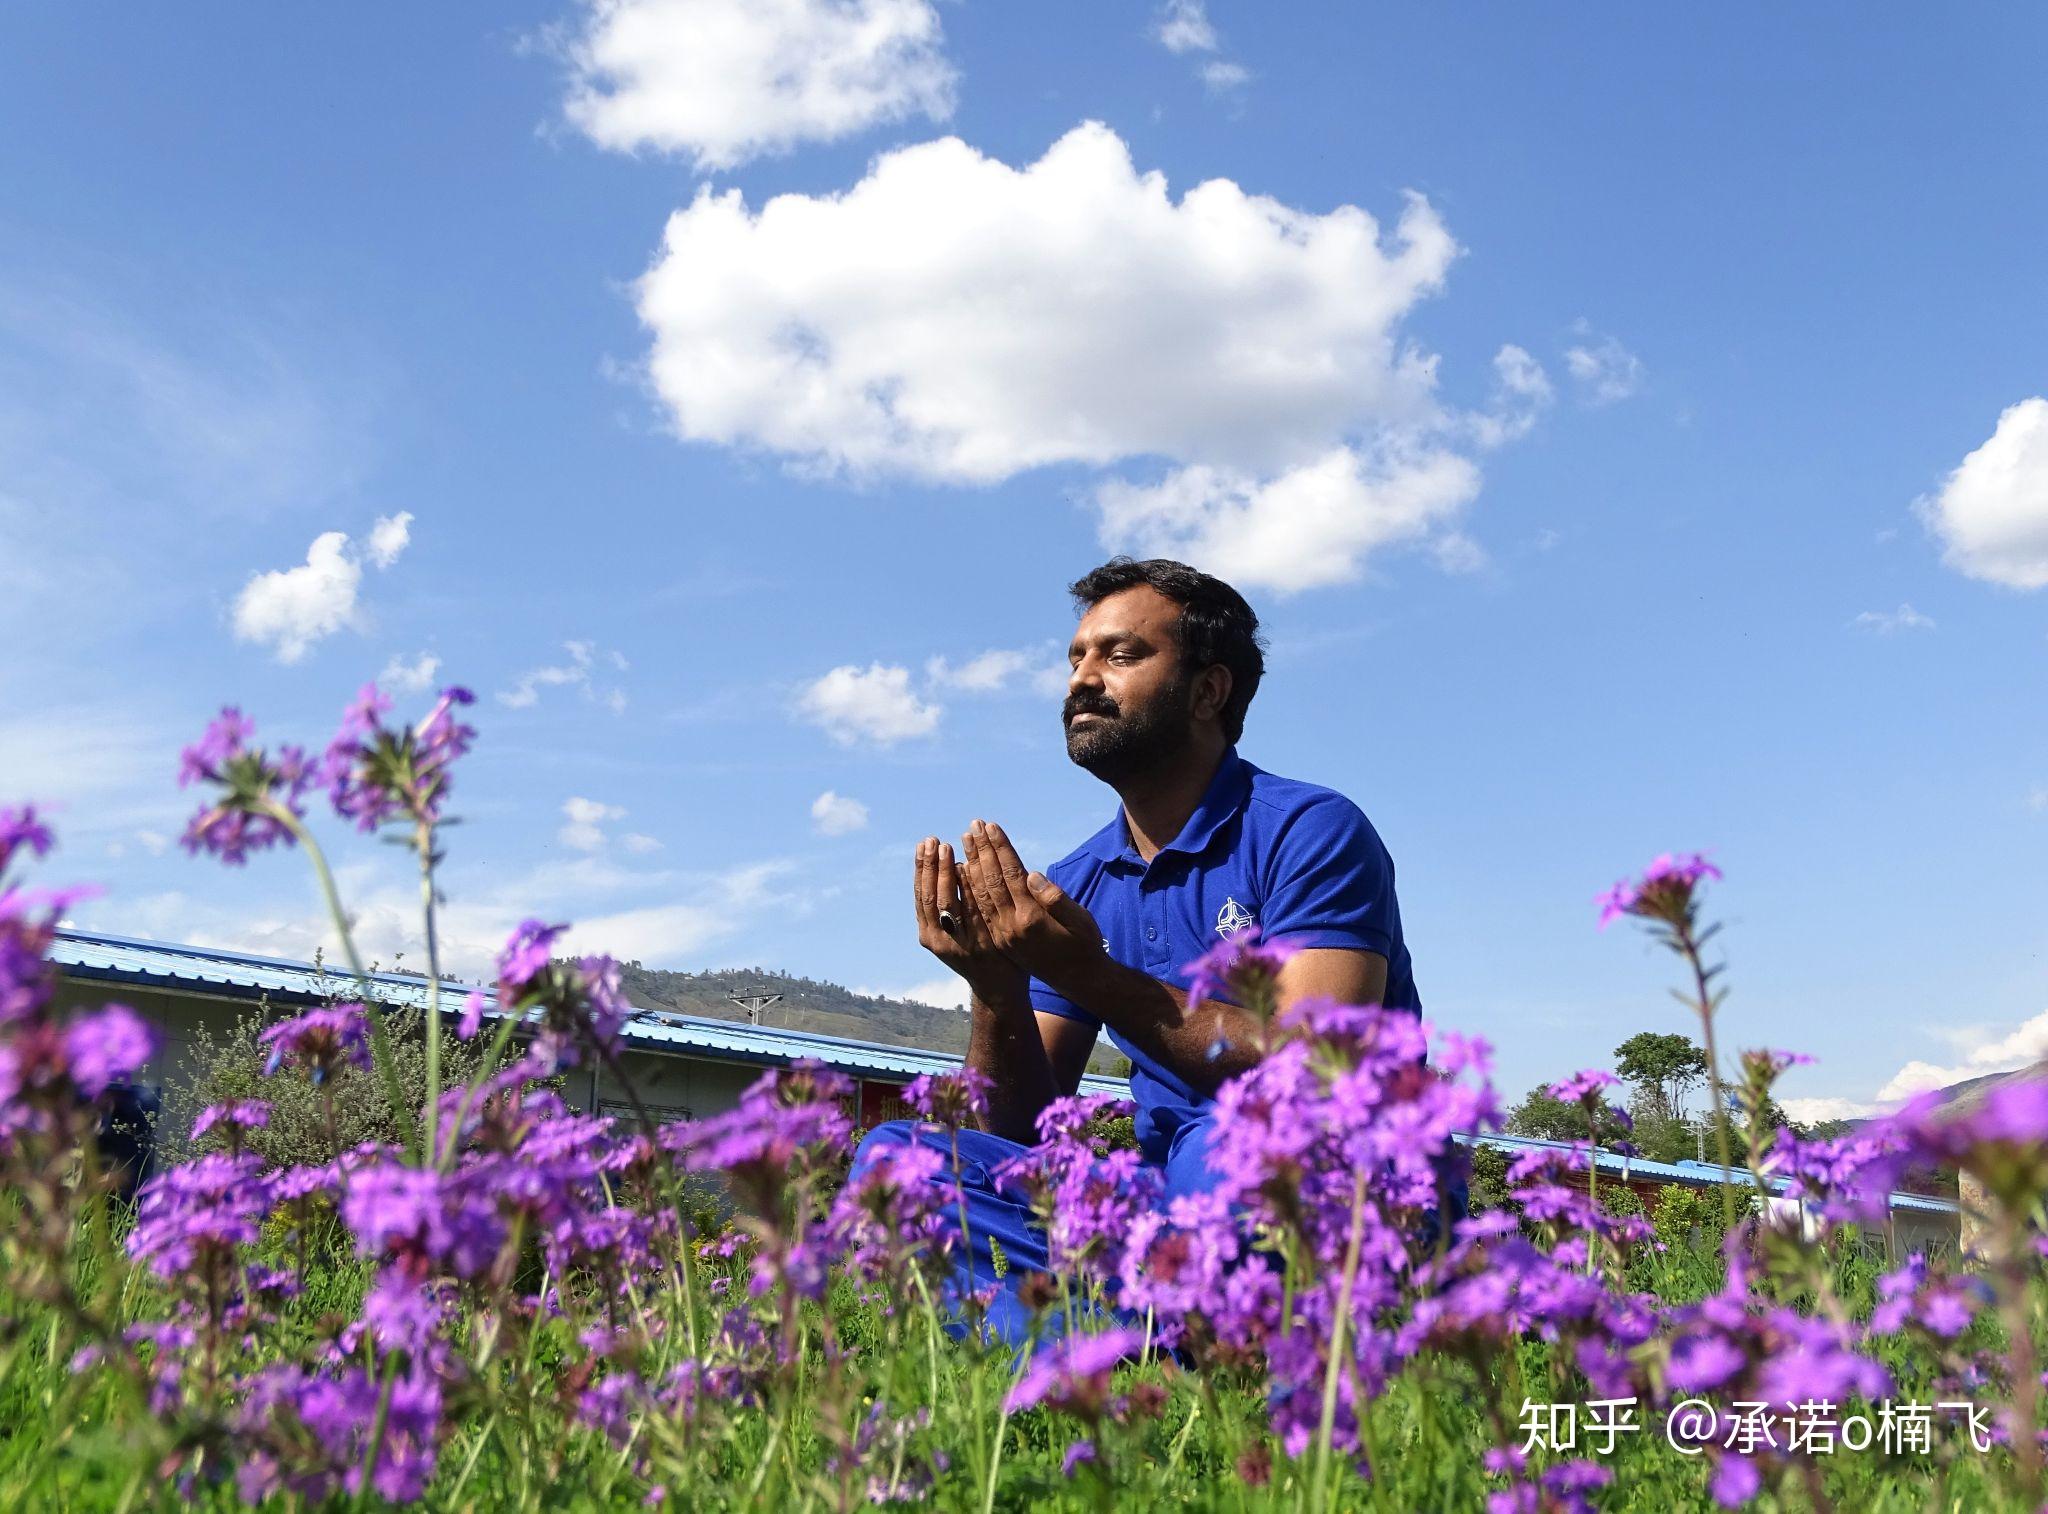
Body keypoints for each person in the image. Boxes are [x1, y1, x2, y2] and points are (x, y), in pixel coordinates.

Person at [854, 557, 1432, 1342]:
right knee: (901, 1160)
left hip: (1329, 1193)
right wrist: (998, 992)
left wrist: (1092, 976)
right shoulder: (1080, 881)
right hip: (1168, 1213)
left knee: (1230, 1150)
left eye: (1120, 655)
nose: (1081, 680)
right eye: (1076, 659)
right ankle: (1161, 1345)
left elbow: (1322, 1070)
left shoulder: (1308, 830)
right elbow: (1022, 1127)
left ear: (1208, 691)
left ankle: (1130, 1348)